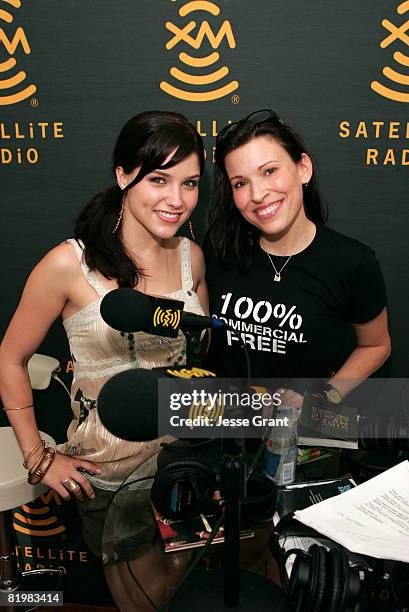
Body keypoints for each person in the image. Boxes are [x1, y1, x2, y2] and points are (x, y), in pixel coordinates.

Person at [0, 110, 207, 609]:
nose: (176, 200)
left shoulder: (191, 258)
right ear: (122, 175)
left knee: (189, 587)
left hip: (187, 463)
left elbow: (202, 353)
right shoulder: (69, 264)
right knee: (144, 599)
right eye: (159, 179)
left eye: (191, 183)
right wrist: (38, 458)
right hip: (111, 475)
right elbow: (10, 359)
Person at [205, 109, 391, 404]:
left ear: (303, 168)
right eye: (240, 183)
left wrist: (323, 396)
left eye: (269, 171)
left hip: (302, 439)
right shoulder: (219, 252)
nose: (257, 194)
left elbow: (376, 345)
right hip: (228, 434)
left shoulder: (352, 262)